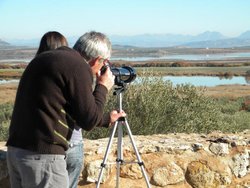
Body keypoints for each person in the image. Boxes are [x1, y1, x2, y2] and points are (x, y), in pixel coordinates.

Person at [6, 31, 126, 188]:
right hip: (43, 158)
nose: (100, 70)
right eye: (104, 64)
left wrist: (105, 119)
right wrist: (102, 87)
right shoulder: (77, 66)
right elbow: (88, 120)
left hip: (16, 152)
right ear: (97, 60)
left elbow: (66, 109)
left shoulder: (44, 59)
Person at [35, 31, 84, 188]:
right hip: (72, 142)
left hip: (42, 145)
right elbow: (83, 112)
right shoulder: (69, 71)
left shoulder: (34, 72)